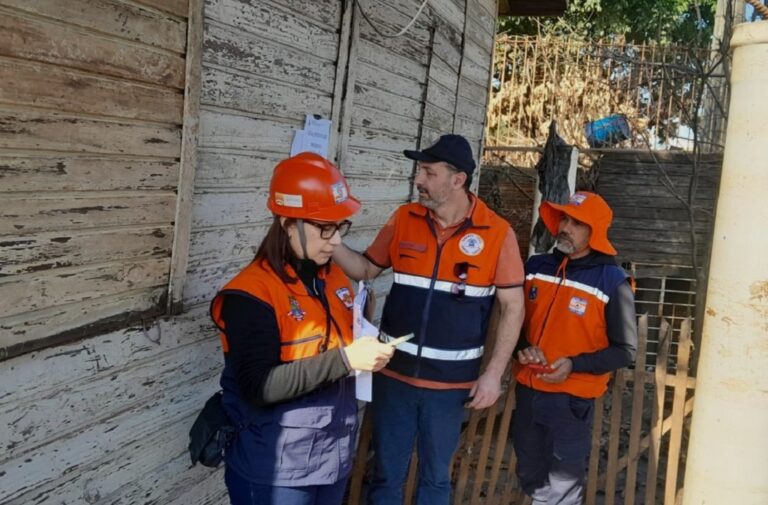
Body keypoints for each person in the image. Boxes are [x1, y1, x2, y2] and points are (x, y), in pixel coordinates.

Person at [332, 134, 526, 504]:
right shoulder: (404, 218)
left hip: (450, 388)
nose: (418, 180)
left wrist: (492, 375)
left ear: (458, 179)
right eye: (420, 170)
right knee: (386, 476)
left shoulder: (497, 232)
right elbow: (367, 269)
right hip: (394, 378)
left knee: (435, 480)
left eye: (428, 172)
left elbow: (514, 308)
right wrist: (329, 243)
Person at [210, 152, 395, 505]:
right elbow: (258, 386)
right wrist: (347, 359)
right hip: (277, 469)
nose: (336, 240)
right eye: (325, 228)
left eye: (340, 227)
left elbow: (337, 344)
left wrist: (369, 346)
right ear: (286, 223)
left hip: (332, 457)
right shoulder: (252, 294)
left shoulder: (333, 278)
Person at [511, 191, 638, 505]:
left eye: (576, 223)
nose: (565, 227)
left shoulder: (613, 281)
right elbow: (511, 320)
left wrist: (573, 365)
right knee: (531, 477)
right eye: (564, 218)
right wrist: (523, 349)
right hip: (527, 390)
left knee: (563, 489)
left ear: (594, 230)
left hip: (570, 401)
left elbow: (625, 350)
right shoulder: (535, 266)